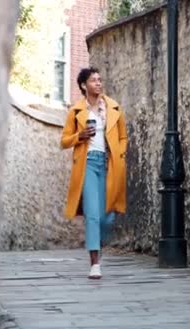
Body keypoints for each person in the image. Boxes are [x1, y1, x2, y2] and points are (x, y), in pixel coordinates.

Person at [60, 67, 128, 279]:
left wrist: (120, 154)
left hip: (109, 164)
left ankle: (97, 242)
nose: (98, 83)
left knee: (106, 218)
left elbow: (123, 137)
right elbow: (64, 141)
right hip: (87, 163)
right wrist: (79, 136)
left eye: (100, 80)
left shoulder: (113, 107)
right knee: (91, 214)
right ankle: (95, 263)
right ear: (83, 85)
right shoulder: (76, 112)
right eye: (93, 80)